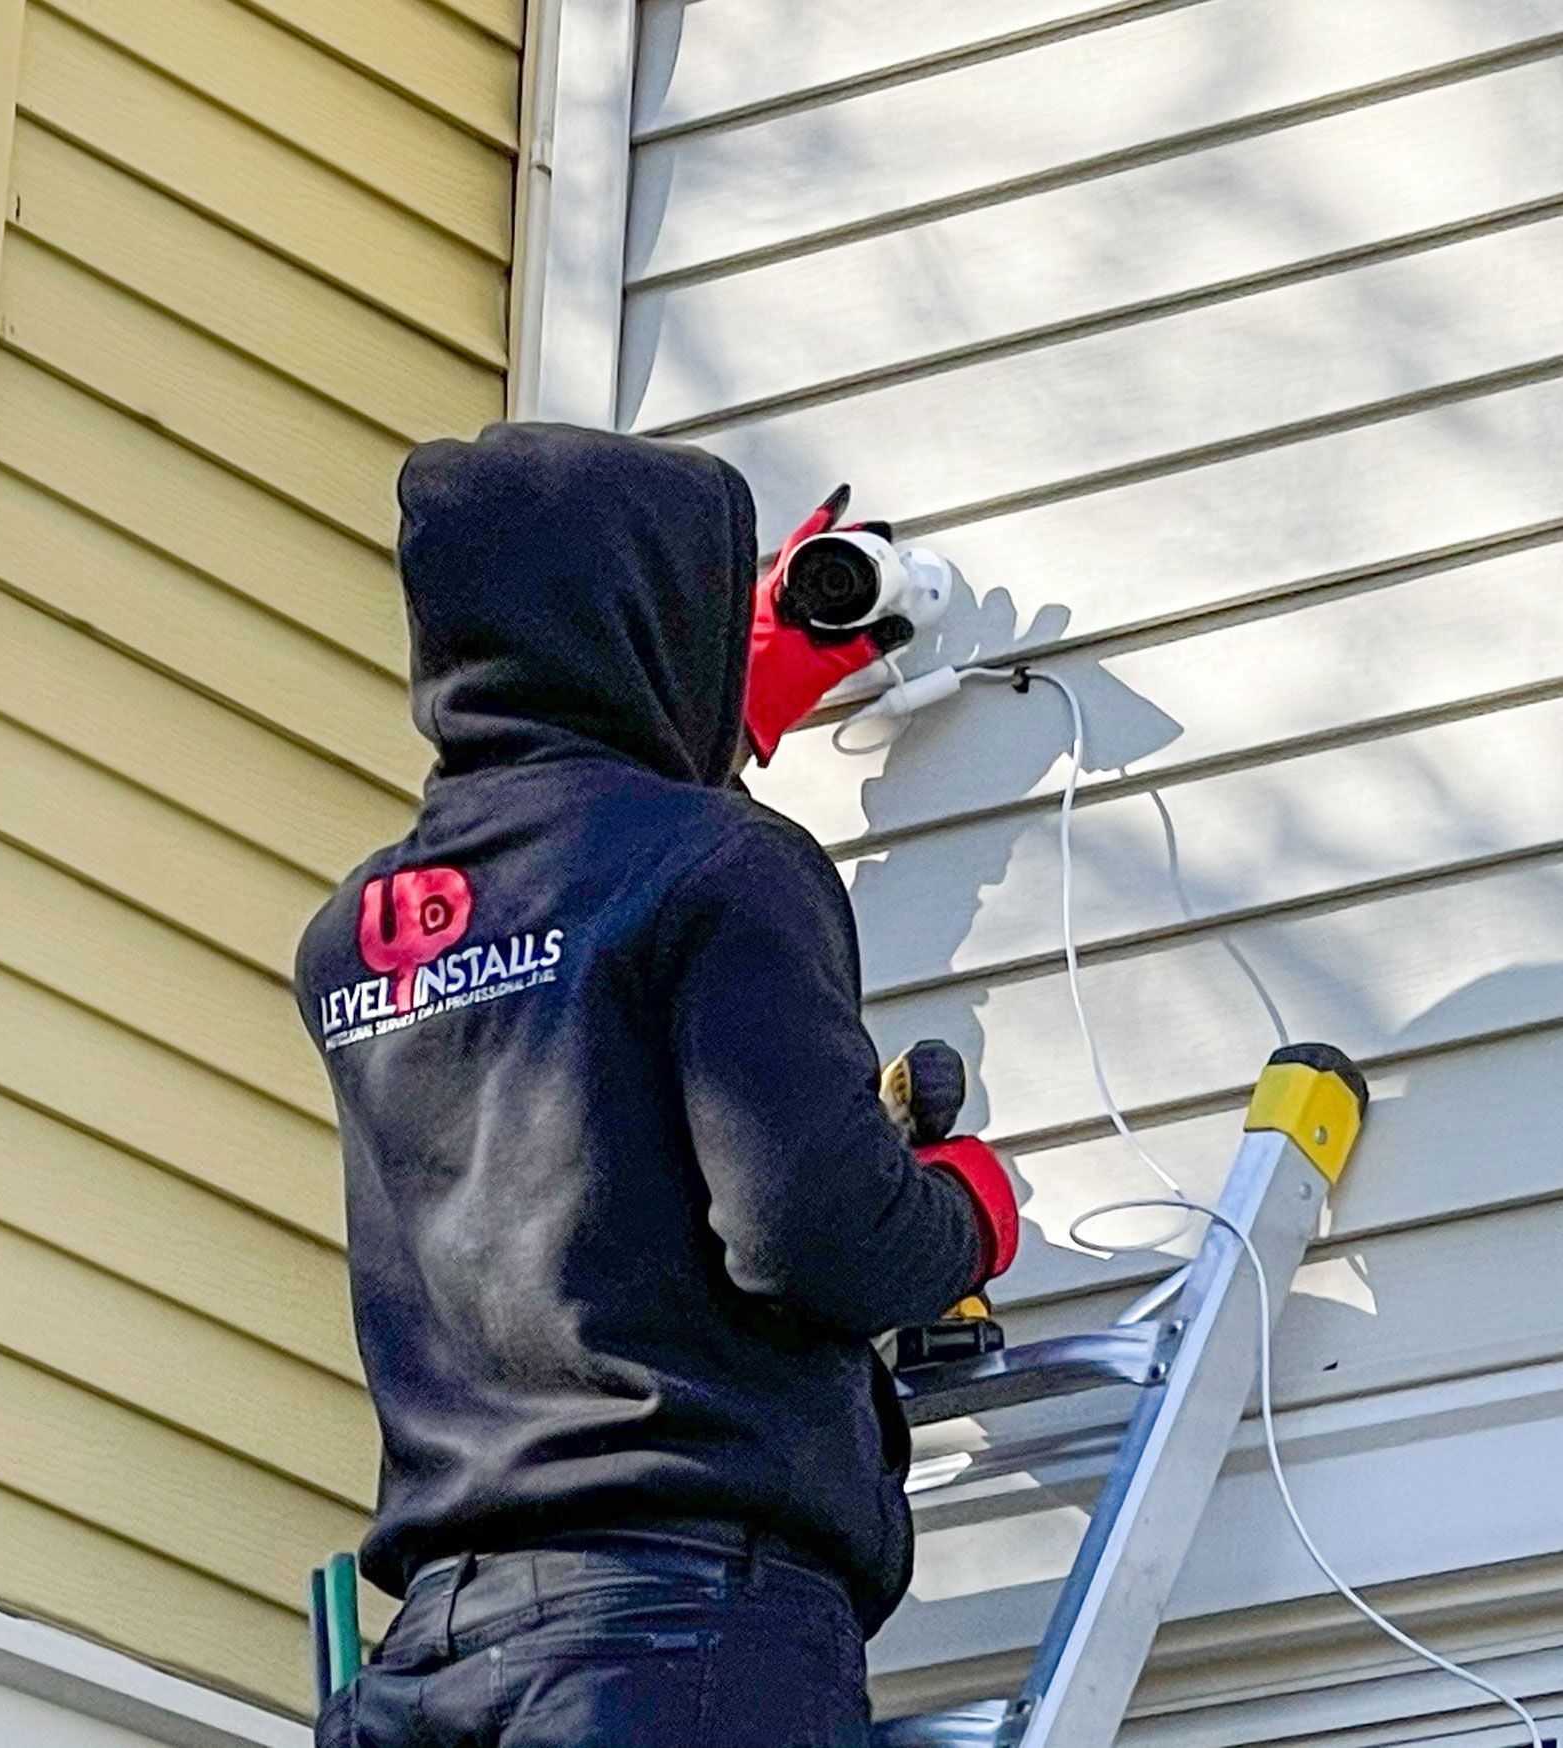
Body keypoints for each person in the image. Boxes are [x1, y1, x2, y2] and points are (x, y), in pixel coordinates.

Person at [294, 424, 1020, 1748]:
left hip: (424, 1677)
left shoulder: (361, 934)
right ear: (640, 613)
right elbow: (814, 1238)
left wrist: (716, 717)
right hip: (670, 1639)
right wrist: (966, 1211)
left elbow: (570, 922)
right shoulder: (726, 869)